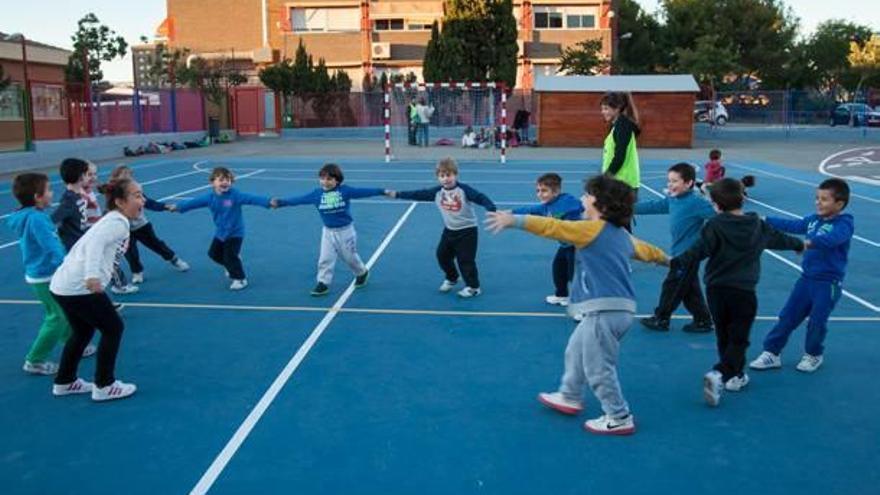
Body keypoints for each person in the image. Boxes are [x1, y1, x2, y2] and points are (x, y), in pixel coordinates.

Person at [485, 175, 668, 435]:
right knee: (575, 351)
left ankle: (618, 415)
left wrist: (514, 220)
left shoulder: (591, 229)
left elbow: (554, 227)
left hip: (604, 311)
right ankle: (569, 395)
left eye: (587, 195)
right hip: (614, 309)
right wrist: (669, 261)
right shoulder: (622, 235)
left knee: (598, 366)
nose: (582, 198)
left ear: (602, 205)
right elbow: (648, 251)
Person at [672, 178, 805, 407]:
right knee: (739, 338)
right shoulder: (757, 225)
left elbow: (698, 251)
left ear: (715, 204)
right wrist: (798, 245)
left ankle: (735, 375)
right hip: (743, 291)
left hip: (716, 290)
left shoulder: (714, 226)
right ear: (742, 198)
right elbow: (779, 239)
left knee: (724, 334)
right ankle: (722, 373)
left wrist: (674, 263)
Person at [50, 178, 146, 401]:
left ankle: (65, 381)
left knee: (83, 331)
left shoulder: (114, 219)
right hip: (79, 288)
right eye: (137, 195)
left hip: (63, 286)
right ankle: (105, 385)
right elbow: (94, 246)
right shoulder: (117, 223)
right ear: (120, 202)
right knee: (113, 328)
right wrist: (92, 275)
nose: (142, 200)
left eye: (142, 194)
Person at [750, 178, 853, 373]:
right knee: (787, 316)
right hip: (806, 280)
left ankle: (813, 354)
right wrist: (765, 219)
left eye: (824, 199)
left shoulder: (845, 223)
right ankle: (772, 353)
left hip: (827, 283)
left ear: (839, 204)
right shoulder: (813, 220)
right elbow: (793, 225)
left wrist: (808, 244)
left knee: (817, 321)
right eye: (817, 198)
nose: (818, 202)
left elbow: (832, 239)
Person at [6, 173, 96, 375]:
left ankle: (68, 340)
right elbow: (51, 247)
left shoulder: (27, 215)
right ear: (38, 196)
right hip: (46, 274)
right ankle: (35, 359)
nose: (51, 193)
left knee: (62, 311)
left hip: (39, 273)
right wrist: (68, 267)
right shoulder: (37, 219)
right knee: (56, 316)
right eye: (48, 190)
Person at [274, 163, 390, 296]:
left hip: (346, 232)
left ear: (337, 180)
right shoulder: (316, 194)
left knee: (349, 257)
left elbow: (363, 192)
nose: (325, 182)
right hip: (328, 232)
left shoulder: (345, 191)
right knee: (325, 258)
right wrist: (281, 202)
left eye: (329, 179)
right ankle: (323, 283)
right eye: (322, 178)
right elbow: (298, 200)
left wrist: (381, 191)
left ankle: (362, 272)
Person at [388, 158, 496, 298]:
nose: (446, 179)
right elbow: (417, 194)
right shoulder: (437, 192)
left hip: (467, 231)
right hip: (450, 230)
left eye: (449, 175)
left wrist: (491, 208)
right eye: (442, 176)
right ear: (438, 177)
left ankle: (473, 287)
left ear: (455, 175)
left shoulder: (464, 190)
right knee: (442, 255)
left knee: (465, 260)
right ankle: (452, 277)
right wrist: (397, 194)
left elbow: (480, 197)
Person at [636, 163, 715, 333]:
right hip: (679, 252)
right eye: (669, 181)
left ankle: (661, 318)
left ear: (689, 183)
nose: (670, 185)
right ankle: (703, 320)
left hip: (688, 254)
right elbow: (653, 206)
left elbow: (718, 215)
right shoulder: (673, 200)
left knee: (672, 286)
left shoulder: (696, 203)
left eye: (675, 181)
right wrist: (627, 208)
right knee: (689, 289)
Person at [171, 167, 272, 291]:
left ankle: (240, 279)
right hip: (221, 232)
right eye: (221, 179)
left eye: (228, 179)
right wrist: (179, 207)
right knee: (213, 254)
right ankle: (230, 265)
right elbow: (194, 203)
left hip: (235, 233)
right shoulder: (209, 198)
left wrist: (268, 202)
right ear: (213, 182)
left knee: (230, 256)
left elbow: (251, 198)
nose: (225, 182)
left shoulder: (235, 195)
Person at [511, 173, 584, 306]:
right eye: (538, 190)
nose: (539, 194)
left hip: (578, 245)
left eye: (544, 191)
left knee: (575, 275)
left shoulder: (567, 200)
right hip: (565, 244)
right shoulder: (545, 206)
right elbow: (529, 209)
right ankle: (561, 295)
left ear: (556, 191)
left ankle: (581, 305)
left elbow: (580, 205)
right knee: (558, 267)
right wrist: (510, 212)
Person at [109, 166, 190, 285]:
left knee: (156, 244)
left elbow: (149, 203)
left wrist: (164, 206)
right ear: (116, 177)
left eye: (129, 175)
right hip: (124, 228)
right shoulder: (113, 194)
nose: (127, 177)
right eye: (124, 174)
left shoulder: (135, 190)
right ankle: (137, 272)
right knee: (130, 252)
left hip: (141, 226)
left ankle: (174, 259)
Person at [600, 92, 641, 193]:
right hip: (616, 181)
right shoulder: (617, 126)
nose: (603, 112)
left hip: (623, 183)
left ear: (617, 109)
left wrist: (605, 177)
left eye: (606, 109)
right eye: (602, 109)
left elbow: (619, 156)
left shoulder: (623, 126)